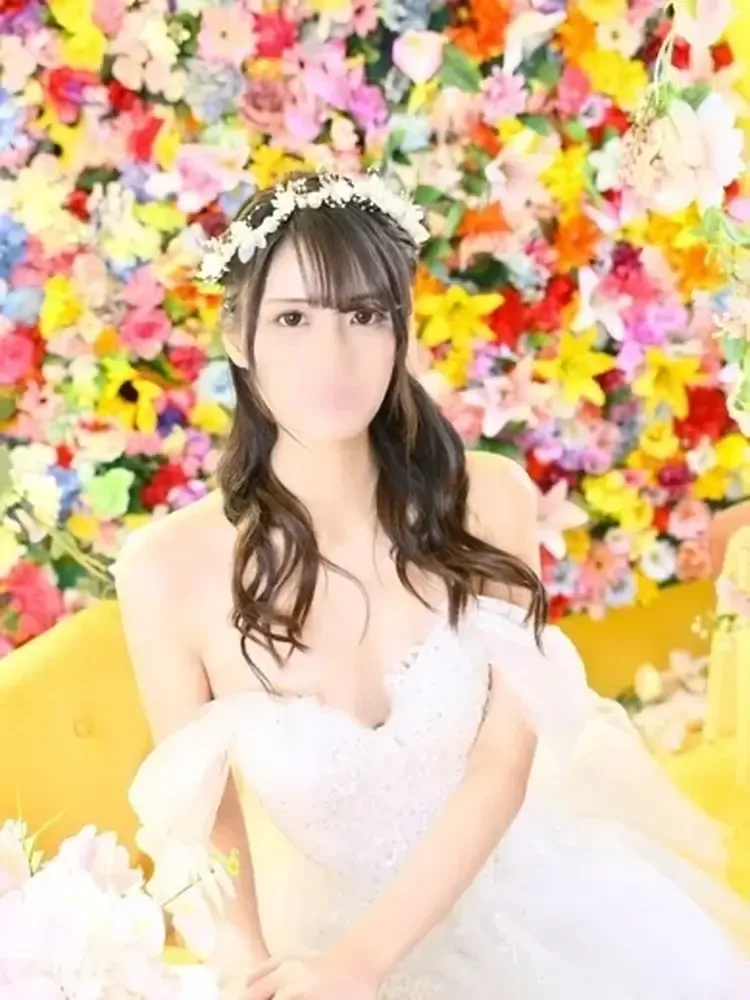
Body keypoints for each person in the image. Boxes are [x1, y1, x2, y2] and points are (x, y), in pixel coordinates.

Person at [114, 171, 750, 1000]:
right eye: (294, 319)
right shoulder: (168, 570)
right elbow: (202, 815)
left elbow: (501, 765)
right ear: (238, 335)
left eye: (363, 316)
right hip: (317, 947)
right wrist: (244, 963)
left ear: (401, 329)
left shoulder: (490, 500)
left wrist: (359, 966)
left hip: (533, 910)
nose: (333, 357)